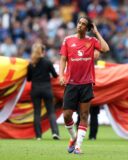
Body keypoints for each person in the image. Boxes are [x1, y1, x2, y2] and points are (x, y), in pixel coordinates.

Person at [59, 16, 110, 154]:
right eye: (79, 22)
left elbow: (105, 48)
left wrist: (97, 32)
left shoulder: (92, 40)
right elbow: (63, 59)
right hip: (71, 83)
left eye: (83, 24)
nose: (80, 25)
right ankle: (73, 138)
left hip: (86, 83)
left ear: (87, 28)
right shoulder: (68, 40)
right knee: (67, 115)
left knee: (84, 115)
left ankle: (78, 147)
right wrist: (61, 75)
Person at [27, 42, 60, 140]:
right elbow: (55, 75)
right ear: (43, 51)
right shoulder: (47, 62)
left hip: (35, 90)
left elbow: (28, 79)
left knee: (37, 112)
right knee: (51, 112)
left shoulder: (31, 63)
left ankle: (38, 136)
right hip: (47, 89)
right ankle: (55, 133)